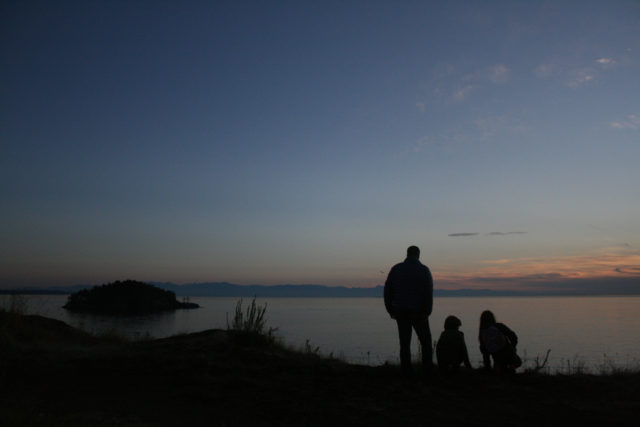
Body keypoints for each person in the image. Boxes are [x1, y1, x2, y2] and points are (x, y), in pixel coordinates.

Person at [384, 245, 434, 377]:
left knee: (405, 343)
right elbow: (428, 292)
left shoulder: (396, 269)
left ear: (407, 254)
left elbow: (387, 291)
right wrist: (427, 312)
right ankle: (427, 370)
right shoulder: (424, 270)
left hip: (401, 312)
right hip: (419, 313)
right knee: (426, 343)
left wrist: (390, 310)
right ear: (418, 254)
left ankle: (406, 371)